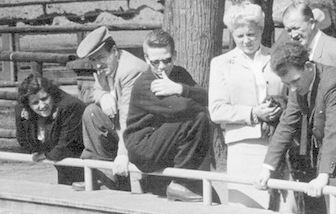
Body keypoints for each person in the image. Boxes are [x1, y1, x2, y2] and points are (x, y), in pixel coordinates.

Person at [254, 41, 336, 214]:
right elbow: (287, 125)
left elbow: (335, 131)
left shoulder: (334, 82)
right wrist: (267, 168)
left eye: (295, 81)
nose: (293, 88)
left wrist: (324, 175)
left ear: (308, 67)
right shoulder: (298, 85)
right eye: (287, 84)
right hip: (325, 154)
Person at [209, 2, 285, 209]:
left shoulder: (276, 57)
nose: (246, 40)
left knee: (283, 207)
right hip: (243, 143)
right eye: (239, 35)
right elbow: (216, 110)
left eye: (251, 34)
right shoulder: (221, 63)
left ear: (261, 30)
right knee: (247, 205)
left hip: (278, 140)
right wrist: (253, 113)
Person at [124, 30, 211, 200]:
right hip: (143, 146)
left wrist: (179, 88)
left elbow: (207, 96)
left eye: (167, 60)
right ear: (146, 59)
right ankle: (180, 182)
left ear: (174, 55)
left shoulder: (179, 74)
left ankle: (184, 180)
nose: (162, 67)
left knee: (211, 198)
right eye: (155, 62)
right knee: (197, 117)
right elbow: (181, 108)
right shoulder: (145, 83)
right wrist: (191, 97)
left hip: (167, 143)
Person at [77, 26, 149, 190]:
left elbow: (129, 117)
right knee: (91, 112)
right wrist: (103, 96)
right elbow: (95, 91)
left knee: (93, 112)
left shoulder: (131, 70)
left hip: (143, 129)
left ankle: (117, 180)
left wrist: (123, 154)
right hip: (121, 125)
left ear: (114, 51)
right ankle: (103, 176)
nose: (97, 64)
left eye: (101, 57)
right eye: (93, 60)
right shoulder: (105, 67)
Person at [15, 74, 86, 185]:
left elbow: (65, 145)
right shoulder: (22, 110)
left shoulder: (70, 106)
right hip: (62, 165)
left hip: (85, 162)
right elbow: (23, 140)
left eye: (44, 98)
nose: (42, 105)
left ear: (52, 94)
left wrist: (43, 155)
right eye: (35, 103)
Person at [281, 2, 336, 90]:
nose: (293, 35)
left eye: (296, 28)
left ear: (312, 23)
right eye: (289, 30)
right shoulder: (294, 54)